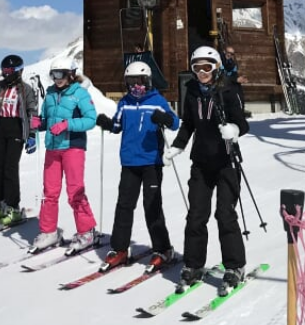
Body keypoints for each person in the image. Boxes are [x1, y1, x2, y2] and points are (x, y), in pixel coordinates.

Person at [165, 45, 250, 292]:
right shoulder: (191, 91)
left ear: (216, 67)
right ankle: (193, 265)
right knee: (196, 215)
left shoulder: (228, 89)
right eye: (197, 67)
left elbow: (243, 123)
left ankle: (234, 266)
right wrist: (177, 146)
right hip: (201, 162)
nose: (202, 72)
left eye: (207, 67)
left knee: (224, 214)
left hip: (226, 161)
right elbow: (188, 123)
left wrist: (234, 130)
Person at [95, 61, 180, 272]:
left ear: (148, 81)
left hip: (151, 163)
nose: (136, 86)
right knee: (124, 205)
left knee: (151, 206)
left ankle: (163, 249)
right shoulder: (125, 102)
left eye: (140, 81)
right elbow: (117, 125)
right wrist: (106, 123)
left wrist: (165, 118)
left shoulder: (157, 100)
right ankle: (120, 249)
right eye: (131, 82)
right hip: (130, 162)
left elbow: (175, 122)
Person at [30, 57, 100, 254]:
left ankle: (87, 231)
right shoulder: (51, 93)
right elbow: (47, 118)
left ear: (70, 74)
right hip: (53, 148)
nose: (56, 79)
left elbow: (90, 120)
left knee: (74, 191)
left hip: (73, 147)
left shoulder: (80, 94)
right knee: (50, 192)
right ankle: (49, 232)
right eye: (53, 75)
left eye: (60, 74)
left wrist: (67, 125)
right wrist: (39, 124)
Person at [0, 54, 41, 228]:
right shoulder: (1, 89)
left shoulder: (26, 90)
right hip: (1, 129)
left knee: (10, 168)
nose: (5, 74)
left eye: (8, 71)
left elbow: (33, 113)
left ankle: (13, 208)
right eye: (3, 71)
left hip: (16, 129)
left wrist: (32, 135)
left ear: (18, 72)